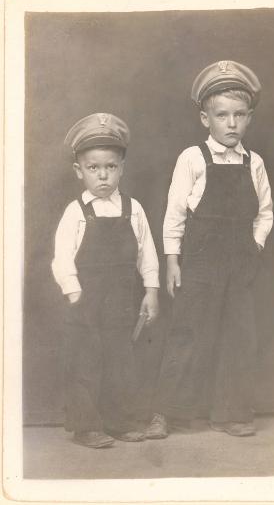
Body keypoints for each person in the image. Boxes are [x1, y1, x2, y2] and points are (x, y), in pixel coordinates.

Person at [146, 60, 273, 439]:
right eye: (222, 115)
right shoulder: (193, 159)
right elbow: (174, 214)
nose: (231, 123)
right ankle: (166, 412)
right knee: (187, 332)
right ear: (206, 119)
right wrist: (172, 261)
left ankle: (230, 413)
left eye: (239, 115)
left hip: (239, 265)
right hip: (199, 263)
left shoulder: (255, 163)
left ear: (249, 117)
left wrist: (254, 244)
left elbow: (265, 213)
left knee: (238, 336)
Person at [52, 113, 159, 448]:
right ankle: (87, 427)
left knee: (120, 361)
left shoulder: (133, 209)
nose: (102, 175)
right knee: (85, 361)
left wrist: (151, 292)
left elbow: (148, 254)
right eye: (93, 168)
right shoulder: (76, 212)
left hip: (121, 302)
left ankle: (120, 422)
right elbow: (62, 259)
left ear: (121, 168)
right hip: (86, 302)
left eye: (110, 167)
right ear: (79, 171)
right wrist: (74, 295)